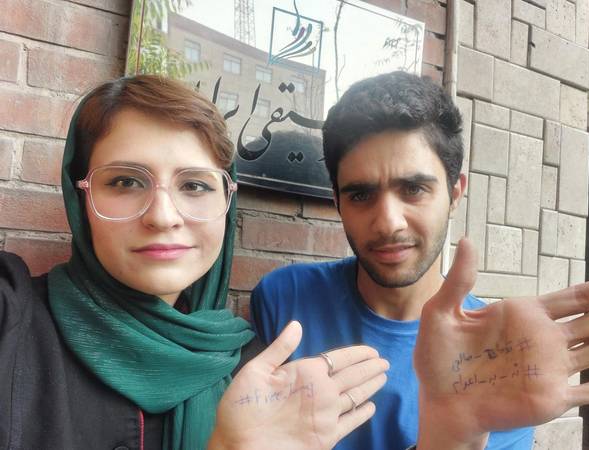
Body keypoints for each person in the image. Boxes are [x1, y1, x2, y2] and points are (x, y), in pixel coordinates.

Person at [0, 75, 390, 450]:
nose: (163, 216)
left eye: (194, 185)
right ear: (80, 197)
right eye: (125, 182)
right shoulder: (13, 319)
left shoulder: (255, 373)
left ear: (227, 201)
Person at [250, 71, 589, 450]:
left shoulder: (496, 355)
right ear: (337, 202)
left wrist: (454, 438)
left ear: (455, 193)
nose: (388, 223)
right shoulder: (284, 297)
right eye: (360, 195)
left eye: (414, 189)